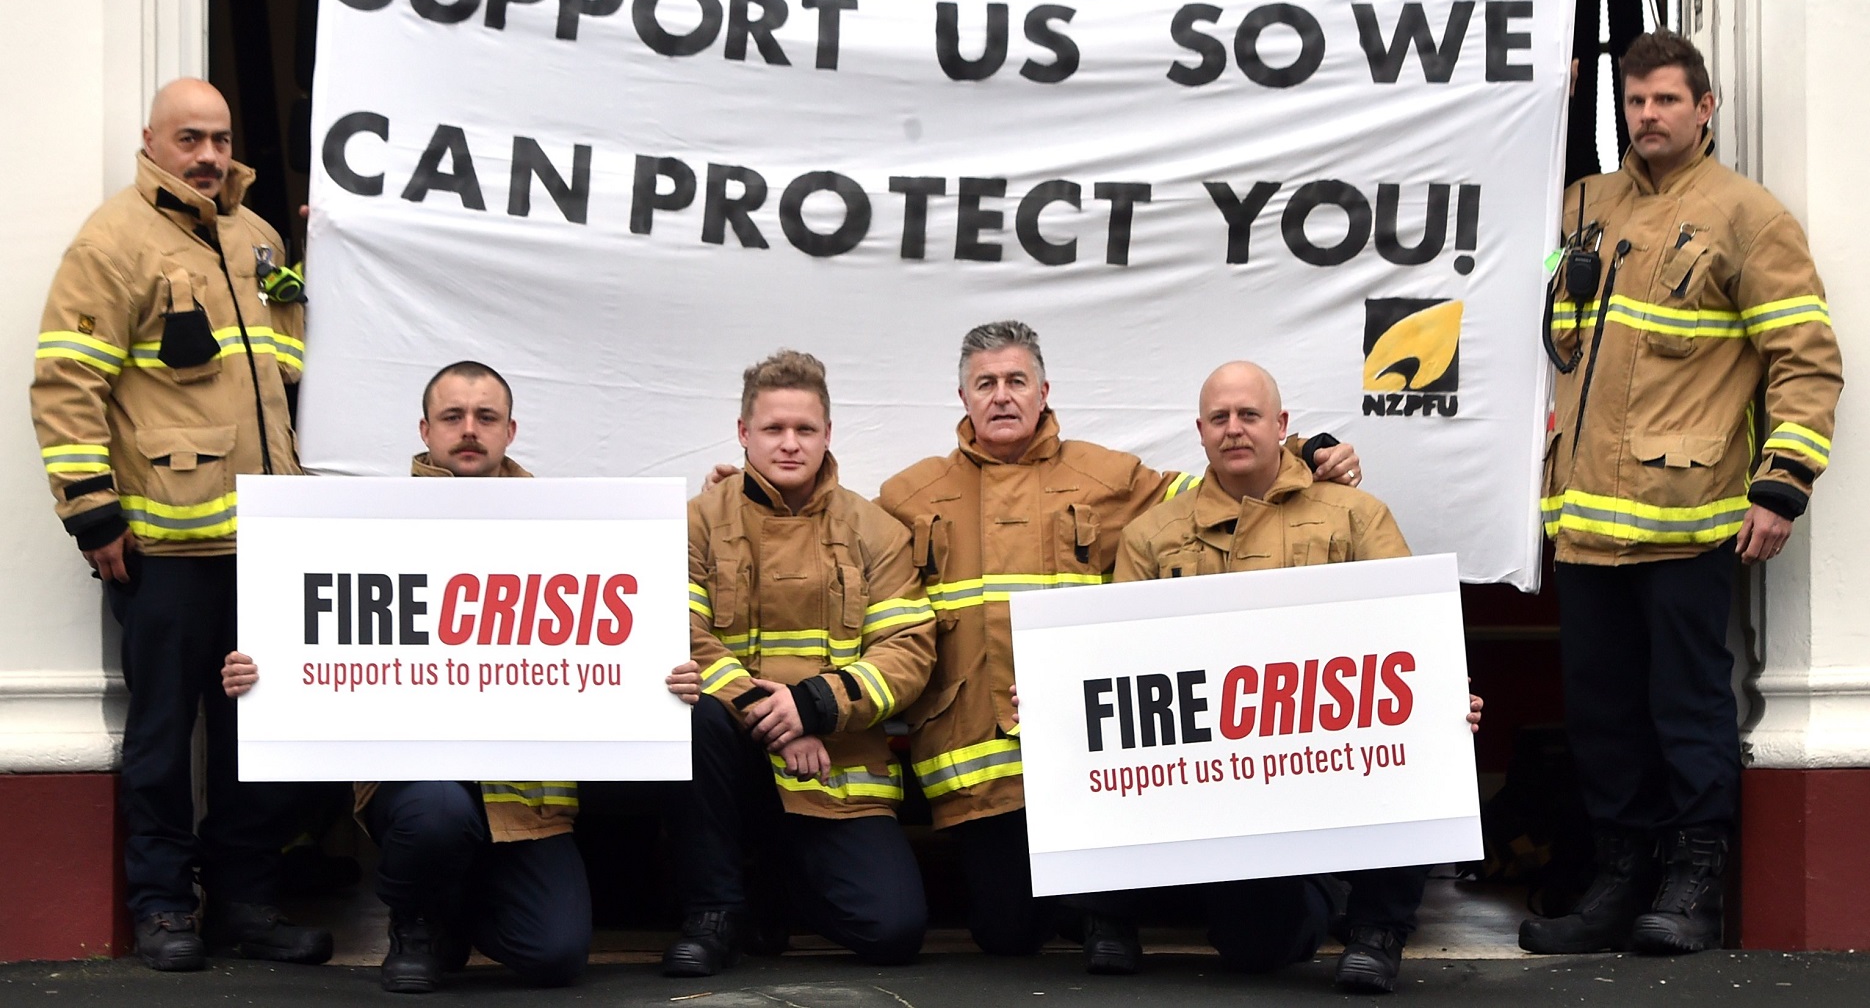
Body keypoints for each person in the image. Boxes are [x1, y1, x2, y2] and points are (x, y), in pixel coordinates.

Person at [873, 320, 1363, 970]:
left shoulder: (1106, 476)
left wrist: (1307, 448)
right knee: (1009, 934)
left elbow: (1226, 481)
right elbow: (837, 533)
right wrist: (745, 490)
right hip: (981, 772)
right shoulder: (909, 495)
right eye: (984, 383)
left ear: (1044, 390)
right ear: (961, 397)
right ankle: (1092, 905)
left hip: (1084, 762)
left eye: (1016, 381)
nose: (1001, 396)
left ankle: (1117, 906)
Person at [224, 361, 702, 992]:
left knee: (555, 957)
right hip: (421, 784)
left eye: (486, 417)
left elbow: (613, 642)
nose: (469, 430)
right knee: (436, 812)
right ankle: (417, 921)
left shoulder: (574, 530)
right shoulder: (361, 526)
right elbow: (311, 635)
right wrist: (261, 672)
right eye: (452, 417)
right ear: (425, 428)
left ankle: (457, 908)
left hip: (525, 801)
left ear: (511, 430)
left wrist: (661, 679)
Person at [1523, 31, 1843, 956]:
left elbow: (1805, 361)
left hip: (1690, 524)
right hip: (1583, 527)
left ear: (1705, 109)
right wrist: (1542, 104)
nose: (1648, 117)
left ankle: (1692, 888)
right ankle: (1619, 883)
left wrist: (1782, 486)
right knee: (1603, 717)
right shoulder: (1583, 207)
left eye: (1667, 100)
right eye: (1634, 102)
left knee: (1687, 709)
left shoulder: (1749, 217)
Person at [29, 78, 327, 971]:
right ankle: (162, 907)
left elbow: (303, 359)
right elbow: (66, 382)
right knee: (163, 735)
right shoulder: (113, 240)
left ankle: (244, 900)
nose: (208, 154)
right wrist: (92, 515)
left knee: (258, 731)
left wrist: (339, 253)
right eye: (190, 137)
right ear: (152, 142)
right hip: (162, 549)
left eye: (221, 138)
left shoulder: (261, 236)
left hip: (268, 545)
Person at [1109, 360, 1470, 994]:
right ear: (1200, 431)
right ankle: (1304, 897)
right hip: (1224, 774)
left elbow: (1409, 627)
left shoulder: (1356, 515)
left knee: (1423, 741)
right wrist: (1062, 695)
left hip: (1341, 751)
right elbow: (1114, 659)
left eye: (1249, 415)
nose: (1234, 430)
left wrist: (1443, 690)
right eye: (1219, 418)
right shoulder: (1151, 537)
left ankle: (1377, 931)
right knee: (1258, 948)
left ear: (1281, 425)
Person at [669, 350, 937, 976]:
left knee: (892, 932)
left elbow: (907, 651)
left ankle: (776, 889)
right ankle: (713, 911)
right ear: (742, 434)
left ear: (827, 435)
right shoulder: (694, 524)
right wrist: (771, 713)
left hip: (835, 766)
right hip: (736, 749)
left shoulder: (877, 530)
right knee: (691, 718)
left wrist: (815, 706)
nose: (789, 444)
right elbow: (681, 632)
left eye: (805, 430)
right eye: (773, 429)